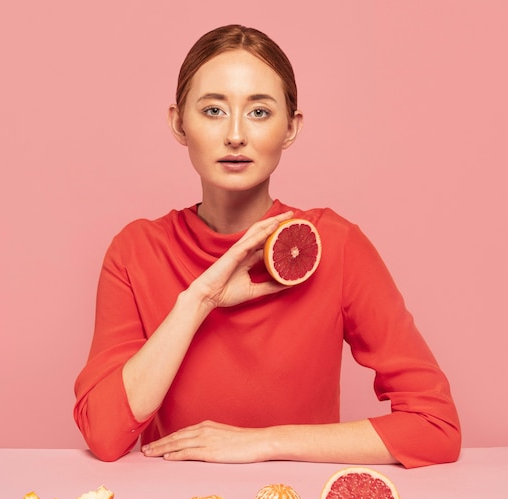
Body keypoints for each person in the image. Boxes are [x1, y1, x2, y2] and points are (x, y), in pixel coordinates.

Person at [74, 24, 461, 467]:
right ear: (178, 122)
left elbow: (437, 427)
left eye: (259, 112)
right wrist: (198, 300)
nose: (236, 135)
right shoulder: (136, 251)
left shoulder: (337, 246)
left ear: (291, 128)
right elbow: (104, 435)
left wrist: (263, 443)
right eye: (213, 110)